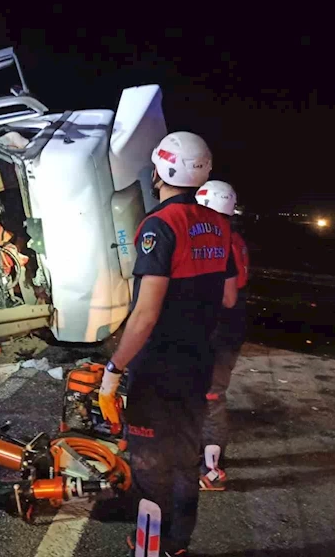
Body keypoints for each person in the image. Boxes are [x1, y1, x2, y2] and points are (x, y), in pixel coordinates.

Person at [98, 132, 238, 557]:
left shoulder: (159, 225)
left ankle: (148, 546)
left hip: (160, 367)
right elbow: (229, 297)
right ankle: (176, 544)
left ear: (161, 169)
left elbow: (145, 314)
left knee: (149, 468)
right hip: (199, 362)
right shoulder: (219, 224)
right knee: (184, 456)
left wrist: (114, 367)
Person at [195, 181, 250, 491]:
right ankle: (203, 457)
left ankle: (213, 470)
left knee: (211, 397)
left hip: (216, 328)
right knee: (207, 395)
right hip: (230, 326)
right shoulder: (236, 237)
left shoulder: (217, 241)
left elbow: (219, 294)